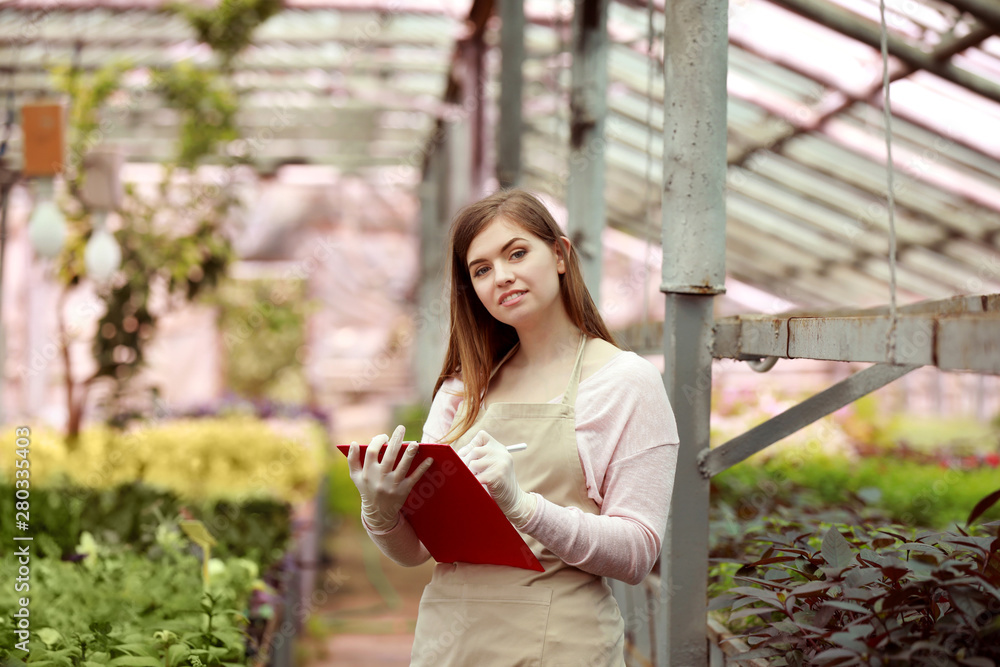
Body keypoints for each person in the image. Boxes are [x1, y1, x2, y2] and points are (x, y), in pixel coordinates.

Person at [347, 188, 679, 666]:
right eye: (481, 270)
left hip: (560, 645)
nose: (501, 277)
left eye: (517, 253)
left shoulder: (625, 383)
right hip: (450, 645)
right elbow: (416, 551)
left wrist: (523, 506)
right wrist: (380, 507)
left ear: (561, 255)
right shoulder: (463, 390)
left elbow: (636, 553)